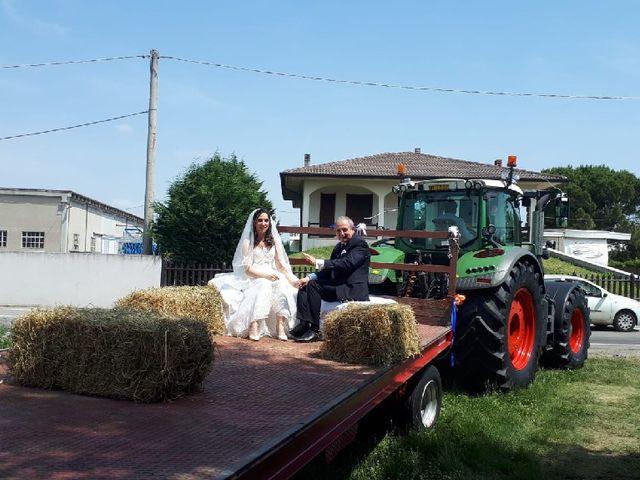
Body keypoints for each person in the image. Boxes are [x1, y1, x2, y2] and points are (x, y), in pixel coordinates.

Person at [209, 208, 300, 341]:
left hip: (272, 273)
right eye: (260, 220)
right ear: (254, 223)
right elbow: (248, 269)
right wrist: (265, 276)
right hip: (254, 276)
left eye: (266, 220)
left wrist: (291, 279)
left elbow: (280, 265)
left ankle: (280, 325)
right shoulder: (248, 242)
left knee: (281, 283)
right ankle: (254, 323)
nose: (263, 223)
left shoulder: (273, 240)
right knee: (263, 284)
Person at [290, 216, 371, 342]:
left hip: (352, 289)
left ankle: (315, 330)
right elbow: (329, 270)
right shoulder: (338, 247)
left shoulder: (360, 244)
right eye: (338, 231)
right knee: (306, 285)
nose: (342, 233)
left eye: (345, 230)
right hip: (338, 285)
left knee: (313, 286)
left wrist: (318, 262)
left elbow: (347, 264)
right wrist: (308, 277)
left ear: (353, 229)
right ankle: (304, 324)